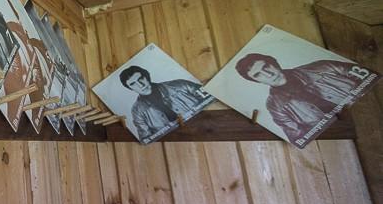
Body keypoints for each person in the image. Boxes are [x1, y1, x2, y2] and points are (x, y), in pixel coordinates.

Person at [234, 53, 365, 143]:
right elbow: (300, 138)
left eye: (266, 66)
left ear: (274, 63)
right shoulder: (274, 107)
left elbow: (367, 76)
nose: (268, 75)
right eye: (258, 75)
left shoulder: (322, 67)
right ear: (256, 81)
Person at [120, 65, 208, 141]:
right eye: (133, 84)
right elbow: (147, 139)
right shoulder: (137, 111)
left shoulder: (179, 84)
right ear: (130, 88)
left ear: (147, 76)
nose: (140, 85)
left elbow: (209, 97)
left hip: (205, 126)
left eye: (141, 79)